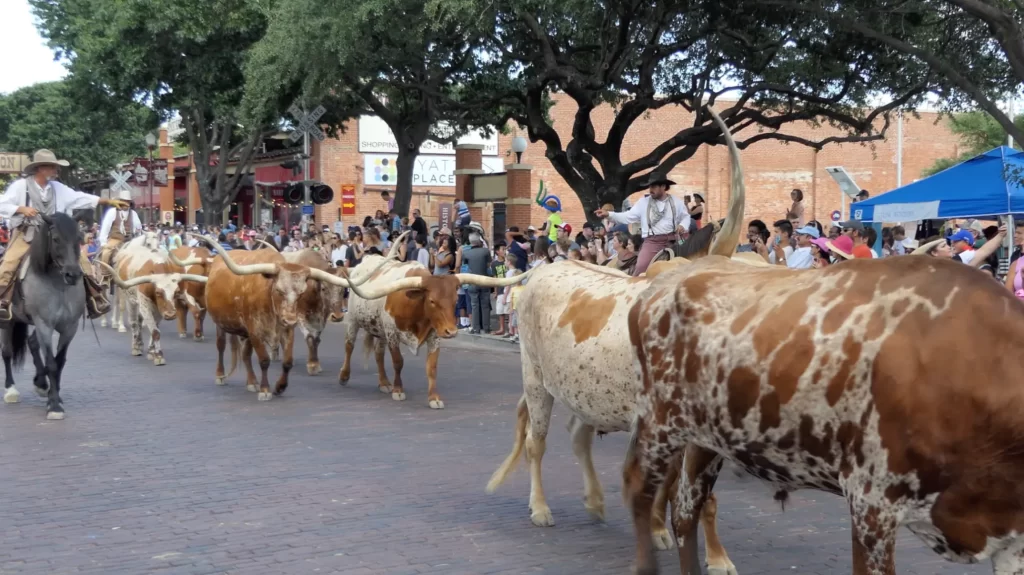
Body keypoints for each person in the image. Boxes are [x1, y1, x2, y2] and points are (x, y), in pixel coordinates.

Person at [0, 149, 128, 319]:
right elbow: (2, 204)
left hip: (55, 235)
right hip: (27, 233)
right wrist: (21, 209)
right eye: (53, 167)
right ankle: (3, 301)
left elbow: (78, 197)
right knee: (9, 263)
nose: (56, 171)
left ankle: (95, 298)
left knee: (82, 261)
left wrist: (107, 201)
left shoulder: (57, 187)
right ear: (41, 168)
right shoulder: (21, 187)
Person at [594, 176, 690, 276]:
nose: (651, 190)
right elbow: (627, 216)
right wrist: (609, 214)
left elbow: (686, 217)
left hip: (675, 239)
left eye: (654, 186)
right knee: (641, 267)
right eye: (650, 186)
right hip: (653, 242)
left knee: (691, 260)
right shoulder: (643, 202)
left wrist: (683, 225)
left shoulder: (676, 202)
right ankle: (634, 288)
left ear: (663, 186)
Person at [97, 188, 143, 268]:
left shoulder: (133, 213)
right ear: (120, 201)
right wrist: (103, 242)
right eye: (124, 201)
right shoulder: (112, 212)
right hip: (115, 239)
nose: (126, 203)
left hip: (129, 240)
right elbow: (105, 228)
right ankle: (105, 276)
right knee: (106, 253)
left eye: (127, 201)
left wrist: (138, 231)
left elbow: (138, 227)